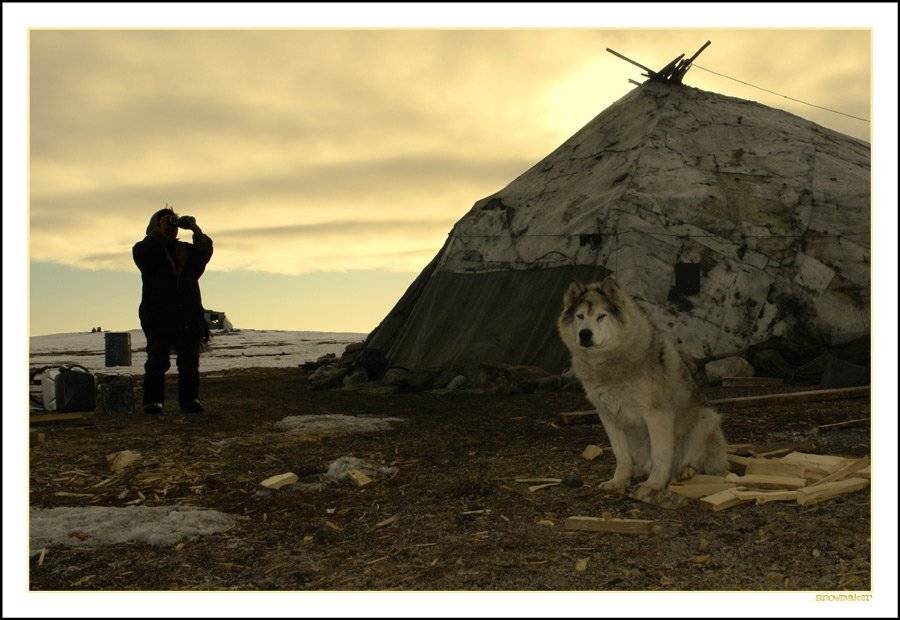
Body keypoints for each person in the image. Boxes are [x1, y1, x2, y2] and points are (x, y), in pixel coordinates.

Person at [132, 207, 213, 414]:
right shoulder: (146, 249)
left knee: (189, 361)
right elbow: (142, 253)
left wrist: (195, 229)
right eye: (166, 223)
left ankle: (190, 400)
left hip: (187, 313)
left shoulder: (186, 250)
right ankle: (153, 401)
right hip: (159, 314)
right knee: (157, 360)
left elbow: (204, 251)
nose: (172, 228)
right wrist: (157, 233)